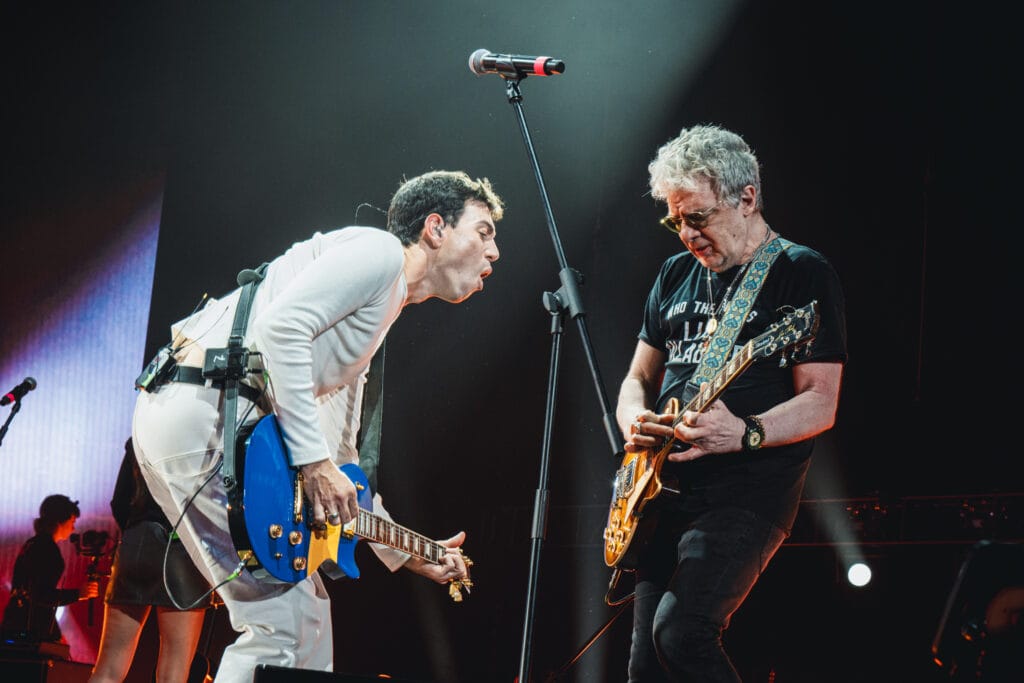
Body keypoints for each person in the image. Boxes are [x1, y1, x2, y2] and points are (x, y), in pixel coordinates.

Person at [131, 170, 501, 682]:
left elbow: (341, 468)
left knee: (301, 623)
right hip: (207, 414)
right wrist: (313, 463)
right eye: (483, 232)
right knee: (283, 628)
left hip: (195, 417)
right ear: (435, 228)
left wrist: (408, 552)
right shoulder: (380, 253)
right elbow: (280, 329)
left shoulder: (375, 314)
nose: (494, 252)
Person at [615, 124, 847, 682]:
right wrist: (633, 422)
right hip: (658, 490)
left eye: (698, 217)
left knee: (682, 633)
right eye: (676, 221)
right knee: (645, 668)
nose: (686, 235)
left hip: (746, 495)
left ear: (746, 198)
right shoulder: (675, 273)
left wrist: (744, 431)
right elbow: (636, 379)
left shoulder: (800, 272)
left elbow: (821, 401)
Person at [89, 438, 212, 683]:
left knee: (108, 670)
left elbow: (119, 502)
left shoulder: (140, 436)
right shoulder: (203, 436)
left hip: (135, 543)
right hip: (183, 547)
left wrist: (138, 532)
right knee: (173, 672)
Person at [1, 494, 100, 644]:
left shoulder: (32, 544)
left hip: (14, 623)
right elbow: (41, 594)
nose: (73, 528)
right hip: (34, 633)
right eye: (72, 521)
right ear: (60, 521)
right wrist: (79, 593)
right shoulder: (48, 550)